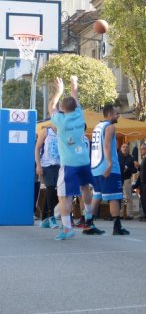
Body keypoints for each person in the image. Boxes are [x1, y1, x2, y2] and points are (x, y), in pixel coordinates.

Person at [48, 76, 95, 240]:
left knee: (63, 196)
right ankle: (88, 218)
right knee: (85, 189)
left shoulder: (60, 120)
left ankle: (67, 228)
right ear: (76, 107)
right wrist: (74, 83)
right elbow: (75, 95)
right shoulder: (80, 115)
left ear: (63, 108)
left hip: (69, 163)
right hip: (84, 160)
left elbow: (51, 106)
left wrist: (59, 91)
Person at [90, 104, 130, 236]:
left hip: (96, 167)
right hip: (108, 167)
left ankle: (89, 223)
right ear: (110, 114)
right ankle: (117, 226)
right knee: (114, 197)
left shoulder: (97, 127)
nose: (118, 116)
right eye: (117, 113)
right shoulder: (110, 126)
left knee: (97, 195)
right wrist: (110, 163)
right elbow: (106, 145)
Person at [35, 124, 60, 229]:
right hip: (46, 165)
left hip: (59, 165)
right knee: (51, 188)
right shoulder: (46, 131)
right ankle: (51, 217)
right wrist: (38, 165)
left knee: (56, 192)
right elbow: (37, 148)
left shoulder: (63, 131)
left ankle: (44, 219)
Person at [117, 142, 136, 220]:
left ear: (128, 149)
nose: (125, 148)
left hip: (127, 179)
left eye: (126, 147)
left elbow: (134, 170)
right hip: (119, 178)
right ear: (121, 148)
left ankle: (129, 214)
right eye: (123, 147)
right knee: (119, 197)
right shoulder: (117, 156)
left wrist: (128, 169)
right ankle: (120, 214)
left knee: (128, 197)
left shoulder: (131, 158)